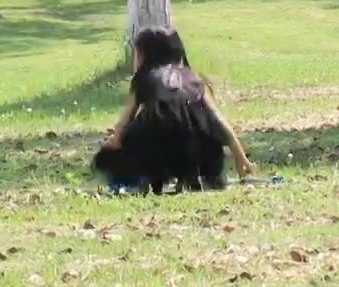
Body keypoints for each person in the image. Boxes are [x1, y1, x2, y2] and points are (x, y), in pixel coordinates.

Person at [103, 27, 254, 179]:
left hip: (157, 155)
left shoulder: (144, 80)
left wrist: (114, 143)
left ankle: (143, 178)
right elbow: (217, 119)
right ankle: (191, 177)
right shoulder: (194, 80)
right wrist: (239, 155)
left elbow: (124, 122)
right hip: (198, 155)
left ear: (146, 56)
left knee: (134, 130)